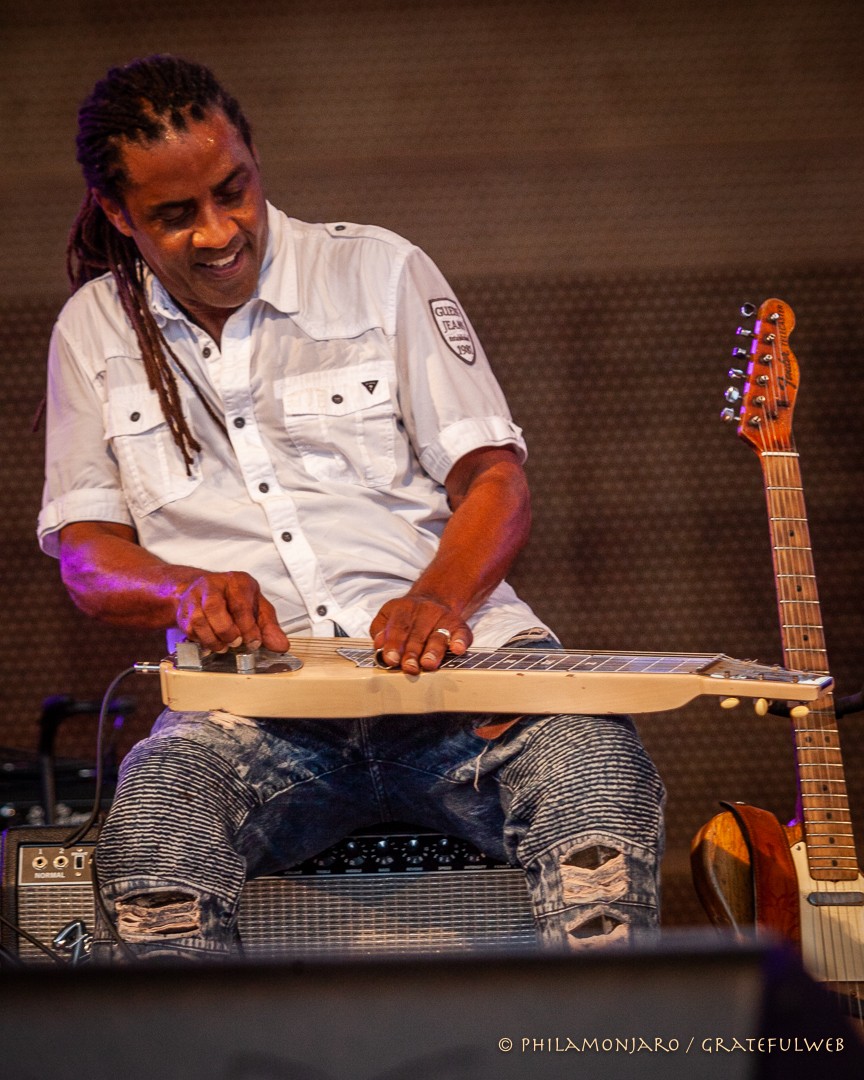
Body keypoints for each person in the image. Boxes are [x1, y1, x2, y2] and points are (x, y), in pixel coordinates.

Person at [38, 55, 665, 961]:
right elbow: (87, 555)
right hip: (254, 718)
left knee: (595, 769)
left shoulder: (377, 269)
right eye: (175, 215)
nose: (218, 231)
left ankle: (599, 1033)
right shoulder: (92, 330)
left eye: (233, 191)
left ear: (255, 158)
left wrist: (437, 598)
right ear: (117, 211)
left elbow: (495, 480)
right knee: (154, 825)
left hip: (462, 683)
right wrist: (186, 590)